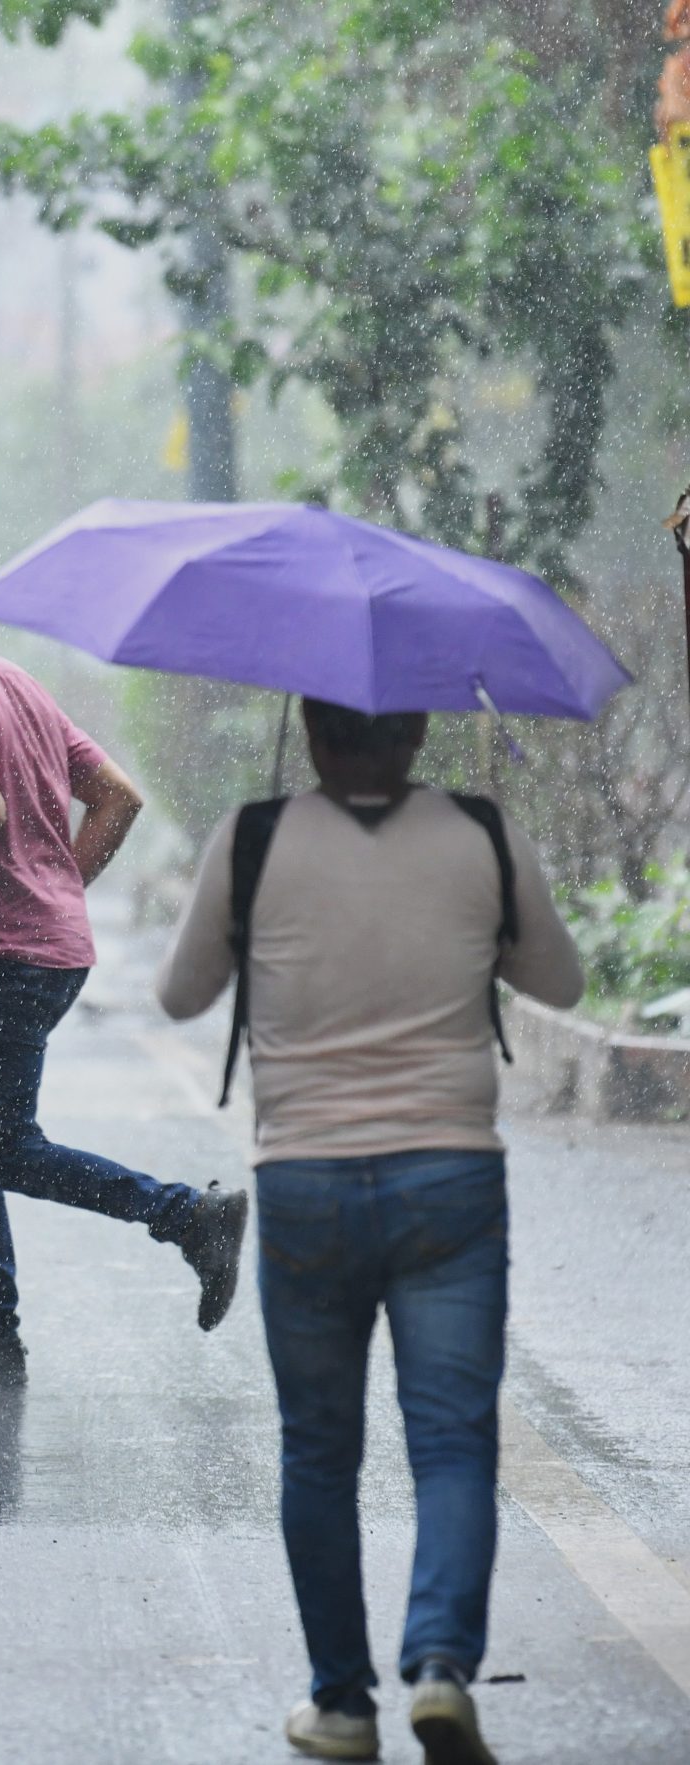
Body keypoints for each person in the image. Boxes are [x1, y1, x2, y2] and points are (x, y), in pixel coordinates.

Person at [158, 701, 581, 1765]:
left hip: (302, 1181)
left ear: (307, 727)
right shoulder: (482, 832)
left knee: (319, 1449)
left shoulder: (252, 839)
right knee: (450, 1440)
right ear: (421, 728)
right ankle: (440, 1665)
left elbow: (181, 993)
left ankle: (340, 1704)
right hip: (450, 1177)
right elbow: (560, 982)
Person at [0, 541, 247, 1386]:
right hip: (51, 946)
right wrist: (59, 886)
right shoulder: (13, 680)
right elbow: (119, 796)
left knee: (1, 1149)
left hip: (10, 951)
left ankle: (187, 1216)